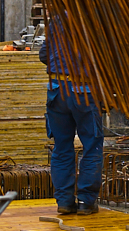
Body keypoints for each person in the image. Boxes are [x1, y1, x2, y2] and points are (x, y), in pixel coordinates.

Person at [40, 12, 101, 216]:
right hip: (83, 91)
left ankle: (65, 202)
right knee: (91, 145)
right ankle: (86, 201)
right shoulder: (96, 19)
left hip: (57, 91)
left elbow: (43, 55)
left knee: (62, 145)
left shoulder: (57, 19)